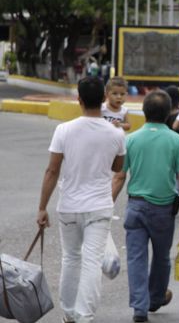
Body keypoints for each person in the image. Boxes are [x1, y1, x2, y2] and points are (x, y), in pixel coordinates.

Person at [36, 76, 126, 323]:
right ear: (104, 99)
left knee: (71, 257)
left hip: (69, 206)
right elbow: (119, 166)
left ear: (79, 100)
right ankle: (85, 316)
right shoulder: (116, 133)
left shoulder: (63, 130)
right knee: (91, 261)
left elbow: (52, 171)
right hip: (99, 206)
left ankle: (69, 313)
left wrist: (42, 208)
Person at [112, 90, 179, 323]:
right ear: (169, 112)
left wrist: (107, 205)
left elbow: (119, 177)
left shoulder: (132, 139)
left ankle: (139, 307)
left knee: (136, 258)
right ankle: (155, 298)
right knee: (161, 257)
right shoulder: (176, 140)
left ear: (144, 112)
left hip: (135, 207)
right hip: (163, 209)